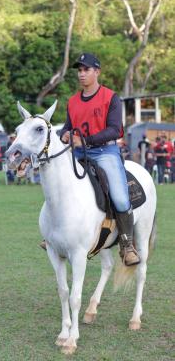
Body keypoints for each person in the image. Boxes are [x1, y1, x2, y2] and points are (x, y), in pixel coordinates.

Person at [59, 52, 140, 266]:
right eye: (79, 70)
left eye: (86, 69)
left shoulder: (110, 97)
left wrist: (84, 141)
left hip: (105, 152)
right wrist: (64, 134)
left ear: (97, 72)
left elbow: (115, 130)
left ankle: (127, 244)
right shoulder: (73, 101)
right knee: (58, 184)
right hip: (78, 153)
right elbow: (67, 127)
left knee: (121, 199)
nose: (81, 73)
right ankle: (54, 235)